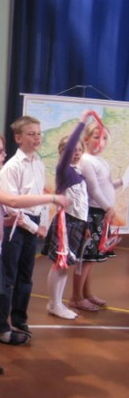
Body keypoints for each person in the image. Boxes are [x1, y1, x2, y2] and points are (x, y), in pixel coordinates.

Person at [0, 130, 68, 387]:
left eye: (2, 150)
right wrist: (52, 197)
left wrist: (5, 222)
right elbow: (13, 200)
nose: (3, 154)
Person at [0, 116, 48, 345]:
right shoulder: (11, 167)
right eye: (31, 134)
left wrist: (42, 223)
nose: (37, 138)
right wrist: (35, 228)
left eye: (38, 133)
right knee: (8, 278)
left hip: (32, 223)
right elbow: (11, 206)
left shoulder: (39, 163)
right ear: (18, 138)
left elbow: (41, 197)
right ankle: (1, 326)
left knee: (26, 276)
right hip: (15, 226)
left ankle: (19, 319)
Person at [41, 111, 91, 319]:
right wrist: (82, 122)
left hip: (77, 224)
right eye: (72, 150)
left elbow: (83, 203)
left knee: (65, 266)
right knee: (59, 264)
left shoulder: (78, 173)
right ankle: (54, 303)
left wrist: (86, 225)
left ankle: (57, 302)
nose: (76, 153)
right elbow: (69, 147)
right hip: (66, 223)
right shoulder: (64, 170)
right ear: (63, 152)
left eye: (80, 150)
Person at [69, 115, 122, 311]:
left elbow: (106, 185)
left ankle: (87, 293)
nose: (101, 142)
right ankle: (76, 297)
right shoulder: (86, 160)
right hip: (91, 213)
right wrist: (109, 208)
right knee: (85, 258)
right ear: (86, 139)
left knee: (91, 259)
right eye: (97, 137)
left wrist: (122, 181)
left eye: (105, 138)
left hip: (100, 214)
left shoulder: (100, 161)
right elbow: (93, 190)